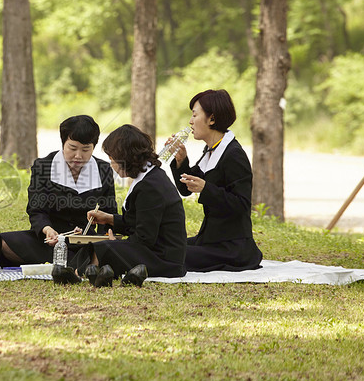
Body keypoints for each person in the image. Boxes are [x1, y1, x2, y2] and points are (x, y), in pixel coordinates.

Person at [62, 124, 187, 287]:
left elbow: (144, 238)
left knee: (107, 246)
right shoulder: (147, 177)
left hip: (165, 260)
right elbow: (137, 222)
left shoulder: (151, 186)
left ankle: (81, 274)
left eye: (112, 159)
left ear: (126, 158)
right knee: (101, 243)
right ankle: (85, 272)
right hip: (155, 251)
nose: (112, 164)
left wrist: (118, 244)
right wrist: (108, 219)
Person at [0, 115, 118, 265]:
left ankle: (84, 261)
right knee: (2, 242)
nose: (78, 156)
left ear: (93, 147)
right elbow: (37, 210)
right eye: (72, 148)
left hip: (87, 243)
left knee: (99, 252)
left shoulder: (103, 169)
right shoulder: (43, 166)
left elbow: (110, 212)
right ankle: (81, 264)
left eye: (86, 149)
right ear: (63, 144)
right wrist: (47, 229)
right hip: (50, 241)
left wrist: (103, 236)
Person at [167, 88, 263, 272]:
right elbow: (186, 189)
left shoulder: (233, 155)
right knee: (165, 245)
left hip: (232, 247)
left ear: (212, 119)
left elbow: (242, 205)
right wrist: (181, 160)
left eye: (195, 115)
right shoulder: (211, 150)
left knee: (172, 254)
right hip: (210, 239)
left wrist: (206, 189)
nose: (190, 121)